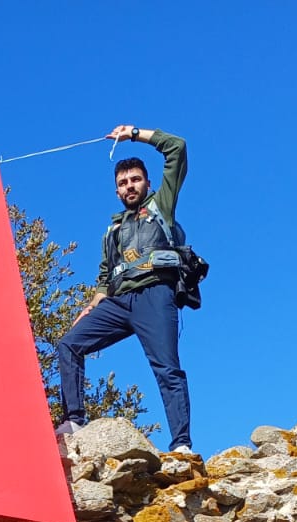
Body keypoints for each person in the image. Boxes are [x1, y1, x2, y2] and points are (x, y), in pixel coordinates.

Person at [55, 123, 194, 452]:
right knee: (69, 343)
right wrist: (94, 302)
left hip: (155, 295)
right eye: (123, 183)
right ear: (116, 190)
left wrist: (133, 133)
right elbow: (105, 274)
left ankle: (182, 444)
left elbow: (177, 147)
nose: (129, 186)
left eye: (135, 180)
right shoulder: (112, 230)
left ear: (147, 182)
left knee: (166, 367)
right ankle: (74, 419)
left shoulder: (162, 206)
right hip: (118, 303)